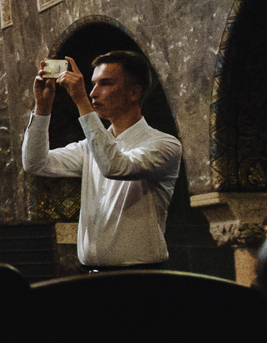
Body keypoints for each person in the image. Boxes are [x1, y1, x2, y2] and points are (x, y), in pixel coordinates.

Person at [23, 51, 187, 273]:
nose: (92, 93)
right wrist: (42, 108)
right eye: (92, 85)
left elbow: (115, 166)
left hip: (140, 277)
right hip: (92, 275)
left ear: (134, 92)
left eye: (105, 83)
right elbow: (35, 163)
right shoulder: (90, 146)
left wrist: (81, 101)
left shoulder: (164, 144)